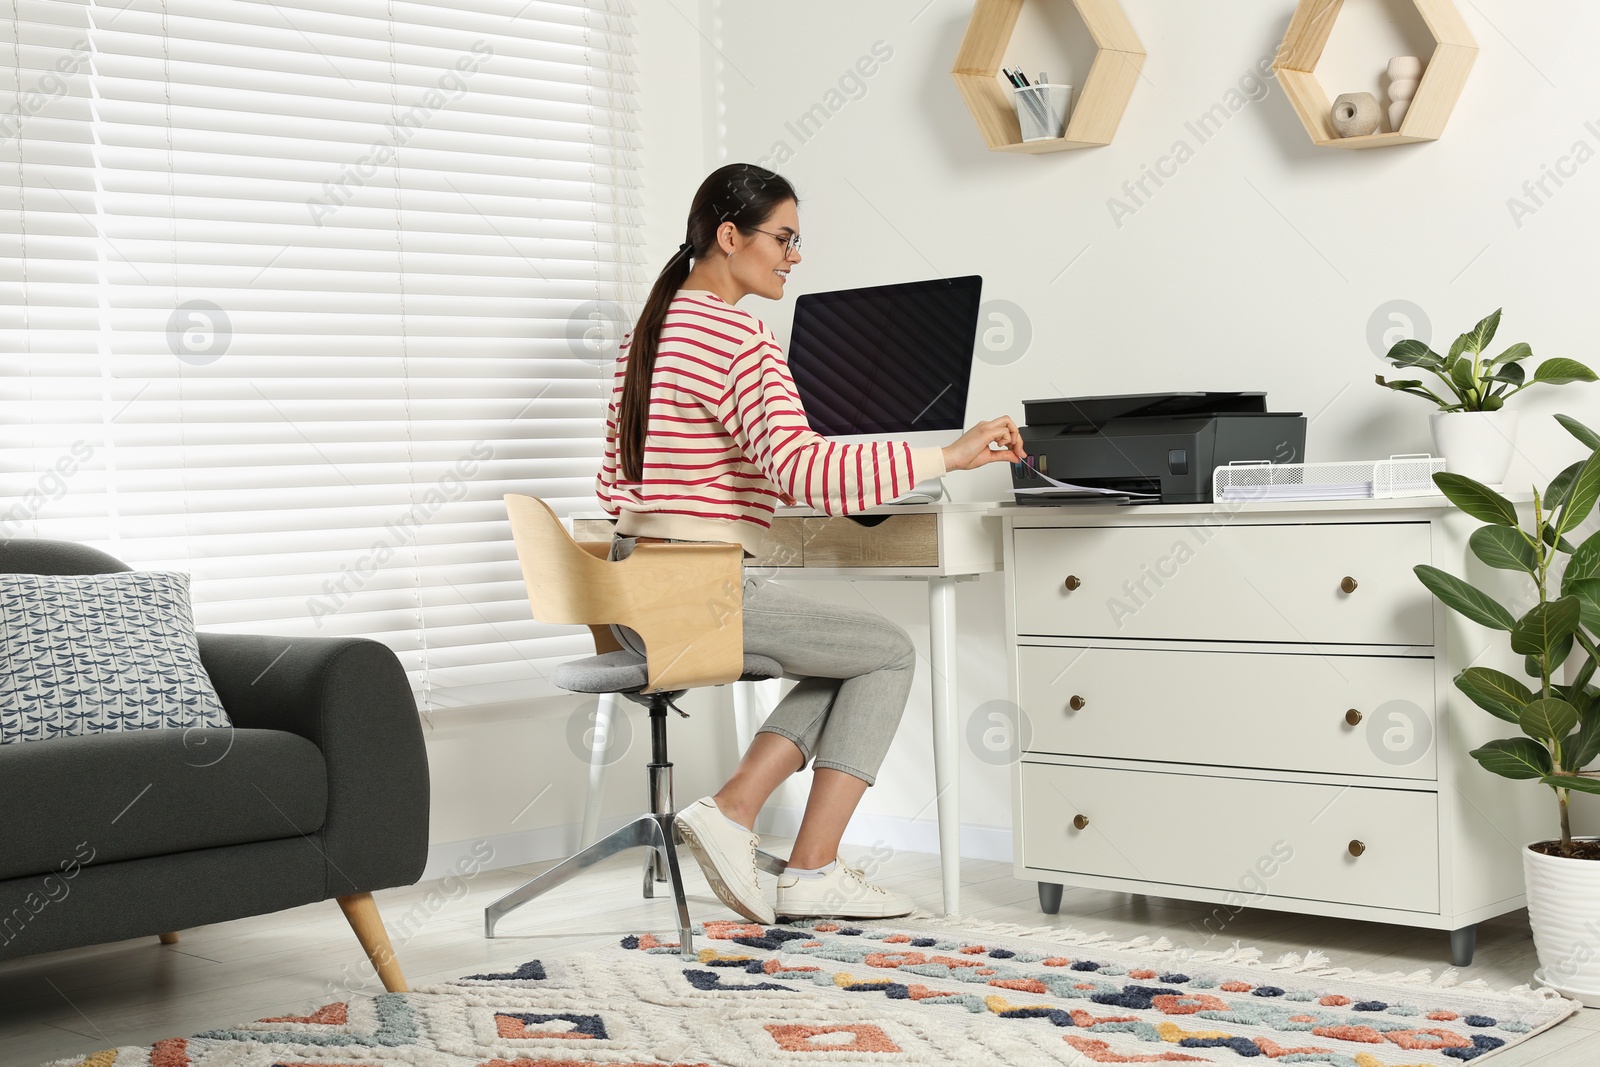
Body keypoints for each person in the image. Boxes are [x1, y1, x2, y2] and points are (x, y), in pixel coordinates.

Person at [595, 162, 1025, 923]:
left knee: (848, 655)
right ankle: (804, 862)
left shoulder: (651, 332)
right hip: (695, 595)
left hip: (631, 592)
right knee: (890, 651)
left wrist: (746, 494)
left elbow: (615, 483)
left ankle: (738, 811)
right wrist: (947, 457)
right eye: (784, 238)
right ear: (730, 237)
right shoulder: (739, 336)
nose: (795, 257)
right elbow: (806, 469)